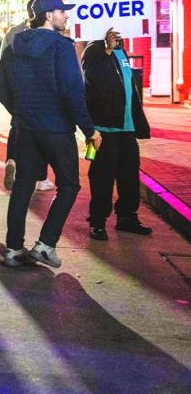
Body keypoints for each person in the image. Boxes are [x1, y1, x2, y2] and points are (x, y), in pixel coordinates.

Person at [0, 0, 101, 269]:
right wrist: (89, 129)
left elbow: (4, 90)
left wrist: (22, 113)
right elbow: (72, 91)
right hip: (56, 129)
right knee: (69, 184)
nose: (66, 16)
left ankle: (13, 249)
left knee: (22, 187)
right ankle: (45, 245)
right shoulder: (61, 46)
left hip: (25, 127)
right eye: (61, 11)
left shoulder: (13, 46)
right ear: (47, 15)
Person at [82, 27, 152, 240]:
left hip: (127, 128)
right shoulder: (94, 50)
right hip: (103, 130)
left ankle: (127, 217)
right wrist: (107, 51)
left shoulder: (121, 50)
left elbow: (129, 87)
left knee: (129, 175)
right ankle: (98, 222)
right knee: (101, 177)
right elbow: (93, 80)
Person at [0, 0, 55, 192]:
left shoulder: (13, 33)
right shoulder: (48, 36)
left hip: (17, 92)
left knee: (17, 128)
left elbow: (2, 66)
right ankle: (40, 177)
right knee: (40, 136)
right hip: (41, 96)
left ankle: (12, 160)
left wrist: (8, 99)